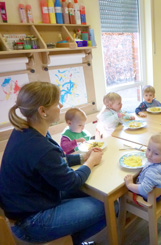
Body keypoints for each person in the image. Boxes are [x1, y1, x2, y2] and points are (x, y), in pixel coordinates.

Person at [0, 81, 107, 244]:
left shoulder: (27, 130)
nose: (61, 105)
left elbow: (53, 163)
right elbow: (71, 182)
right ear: (42, 111)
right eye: (57, 103)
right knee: (109, 205)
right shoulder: (39, 146)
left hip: (35, 201)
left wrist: (82, 158)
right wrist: (91, 162)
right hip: (30, 221)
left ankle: (70, 239)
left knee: (98, 192)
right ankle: (71, 241)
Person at [124, 131, 161, 199]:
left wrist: (130, 184)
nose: (149, 155)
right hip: (159, 191)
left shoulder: (153, 172)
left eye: (156, 153)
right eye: (148, 149)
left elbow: (143, 190)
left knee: (122, 191)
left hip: (148, 198)